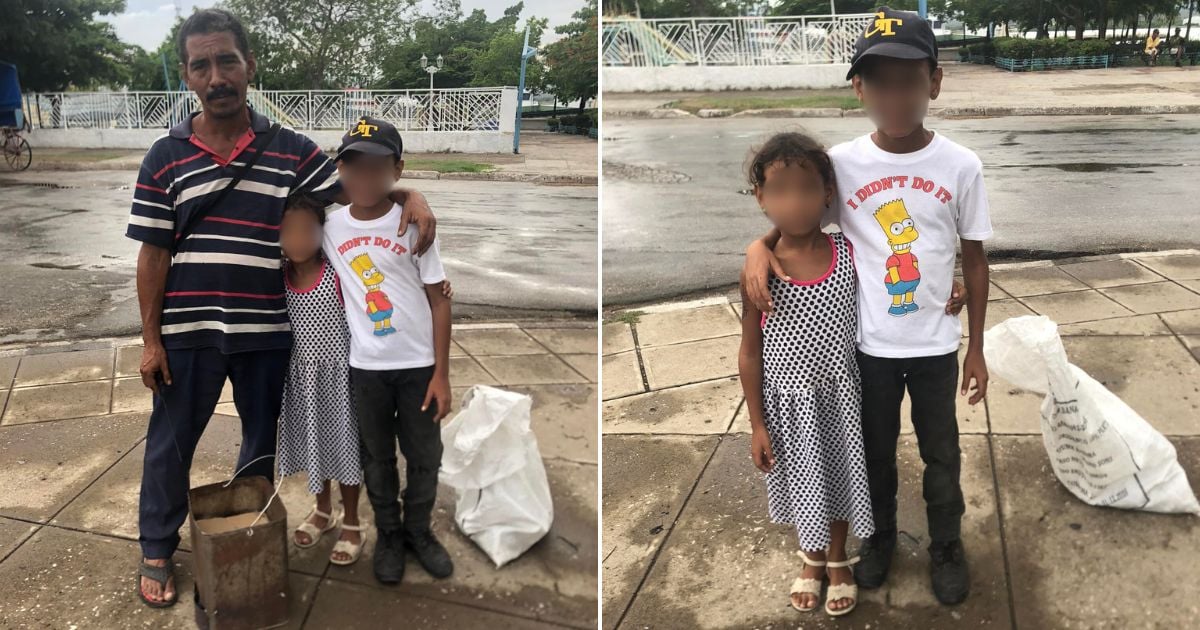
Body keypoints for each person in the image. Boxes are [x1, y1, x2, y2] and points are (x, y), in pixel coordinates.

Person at [128, 9, 437, 607]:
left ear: (249, 66)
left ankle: (249, 536)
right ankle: (157, 548)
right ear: (188, 77)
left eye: (226, 61)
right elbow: (153, 255)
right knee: (170, 443)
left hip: (268, 332)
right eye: (201, 65)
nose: (215, 75)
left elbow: (358, 191)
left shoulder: (291, 150)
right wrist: (150, 339)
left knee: (259, 447)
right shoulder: (163, 156)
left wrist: (410, 192)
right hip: (187, 332)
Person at [741, 7, 992, 606]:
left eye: (909, 78)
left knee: (942, 456)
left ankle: (946, 544)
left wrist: (977, 346)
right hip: (867, 351)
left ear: (934, 81)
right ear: (859, 88)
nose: (895, 94)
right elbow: (797, 222)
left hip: (935, 347)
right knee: (873, 456)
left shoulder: (961, 166)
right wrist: (758, 247)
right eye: (878, 79)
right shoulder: (843, 164)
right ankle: (875, 541)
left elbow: (975, 259)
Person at [737, 132, 874, 617]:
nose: (793, 203)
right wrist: (756, 423)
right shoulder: (759, 270)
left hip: (839, 399)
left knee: (838, 478)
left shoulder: (850, 253)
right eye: (779, 191)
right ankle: (811, 559)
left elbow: (899, 268)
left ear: (828, 193)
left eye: (806, 189)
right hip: (787, 407)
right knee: (803, 483)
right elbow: (750, 351)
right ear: (760, 197)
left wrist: (950, 286)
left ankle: (838, 558)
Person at [322, 116, 454, 585]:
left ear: (397, 168)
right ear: (340, 169)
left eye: (377, 168)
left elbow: (440, 299)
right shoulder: (328, 226)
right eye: (353, 167)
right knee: (376, 459)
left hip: (418, 368)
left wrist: (442, 373)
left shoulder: (413, 224)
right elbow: (296, 208)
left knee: (424, 457)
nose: (364, 178)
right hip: (367, 371)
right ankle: (390, 534)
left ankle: (419, 530)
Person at [277, 194, 365, 565]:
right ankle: (323, 511)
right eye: (288, 231)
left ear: (322, 233)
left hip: (338, 381)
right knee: (316, 446)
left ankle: (354, 523)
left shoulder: (338, 273)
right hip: (302, 384)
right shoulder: (277, 278)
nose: (297, 239)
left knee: (344, 451)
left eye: (306, 231)